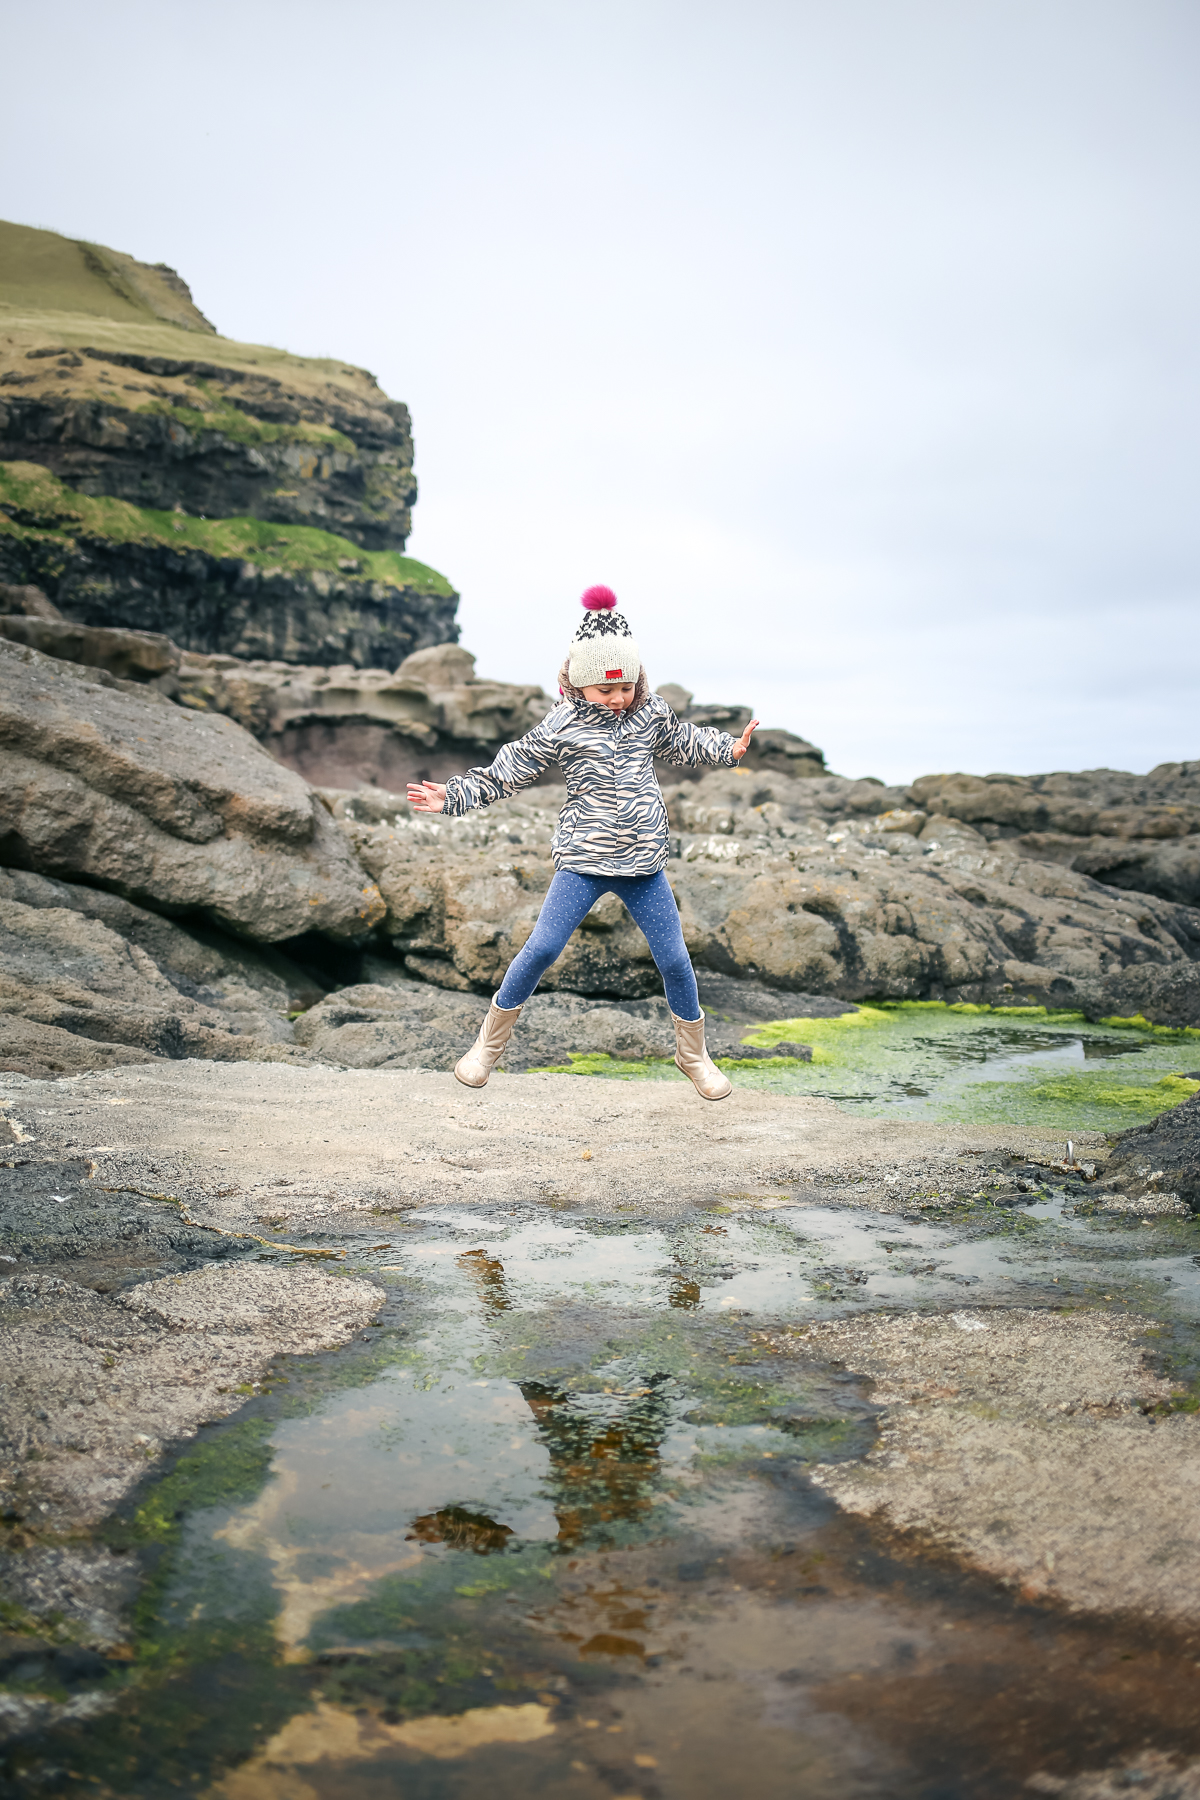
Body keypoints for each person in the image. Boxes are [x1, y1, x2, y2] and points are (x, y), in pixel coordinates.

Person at [406, 586, 758, 1098]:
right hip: (584, 860)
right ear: (578, 683)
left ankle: (694, 1055)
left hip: (644, 863)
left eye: (626, 689)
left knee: (676, 961)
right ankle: (488, 1047)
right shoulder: (562, 723)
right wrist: (455, 795)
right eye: (605, 691)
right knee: (543, 947)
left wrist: (728, 747)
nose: (618, 700)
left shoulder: (649, 713)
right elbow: (510, 770)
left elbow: (684, 740)